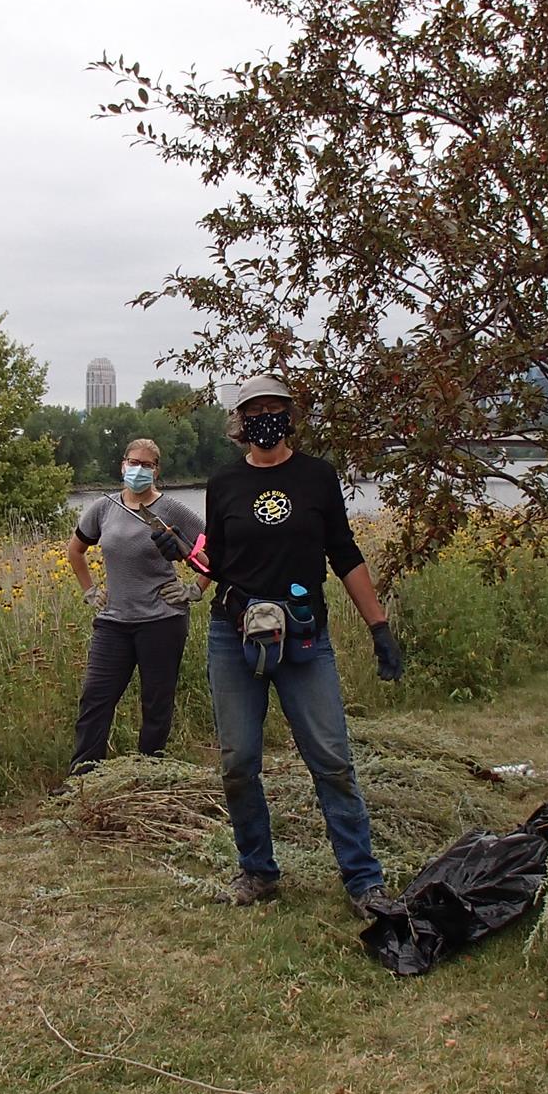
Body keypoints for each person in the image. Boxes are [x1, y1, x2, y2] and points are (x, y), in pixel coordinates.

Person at [201, 374, 406, 918]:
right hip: (234, 635)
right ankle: (258, 871)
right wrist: (181, 562)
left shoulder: (317, 476)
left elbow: (344, 552)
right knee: (238, 762)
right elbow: (214, 559)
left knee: (332, 759)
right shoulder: (223, 483)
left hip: (303, 634)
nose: (264, 418)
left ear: (290, 416)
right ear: (240, 422)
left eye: (274, 408)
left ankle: (364, 882)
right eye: (254, 411)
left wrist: (379, 627)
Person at [65, 438, 207, 779]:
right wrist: (90, 591)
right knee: (95, 699)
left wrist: (193, 590)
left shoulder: (173, 509)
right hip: (114, 621)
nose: (138, 469)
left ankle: (148, 773)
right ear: (122, 464)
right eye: (133, 462)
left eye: (146, 465)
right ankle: (84, 778)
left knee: (156, 703)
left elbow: (214, 552)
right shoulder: (104, 508)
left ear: (157, 470)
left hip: (162, 620)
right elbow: (75, 550)